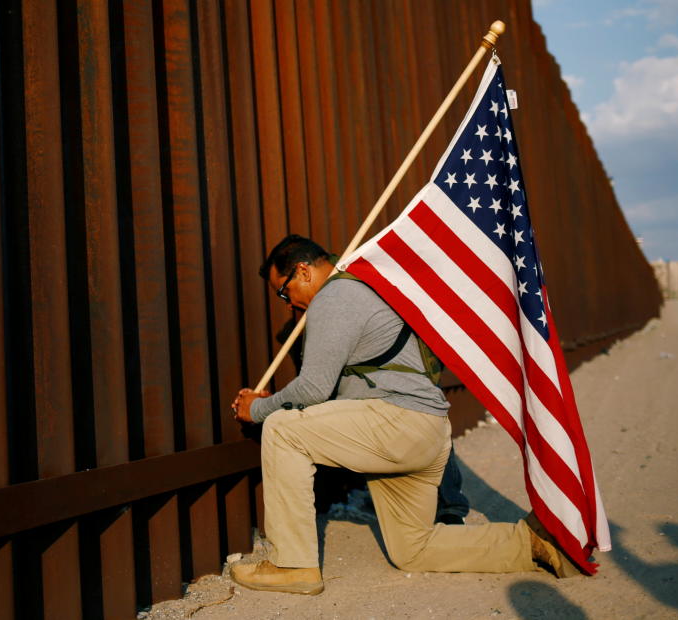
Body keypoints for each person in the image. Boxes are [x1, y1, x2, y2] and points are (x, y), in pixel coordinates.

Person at [230, 234, 581, 595]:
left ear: (303, 271)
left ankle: (292, 566)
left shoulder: (334, 296)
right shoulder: (366, 288)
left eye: (284, 293)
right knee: (414, 549)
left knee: (282, 430)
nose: (289, 305)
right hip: (421, 432)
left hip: (396, 423)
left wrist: (256, 408)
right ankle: (534, 543)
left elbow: (313, 390)